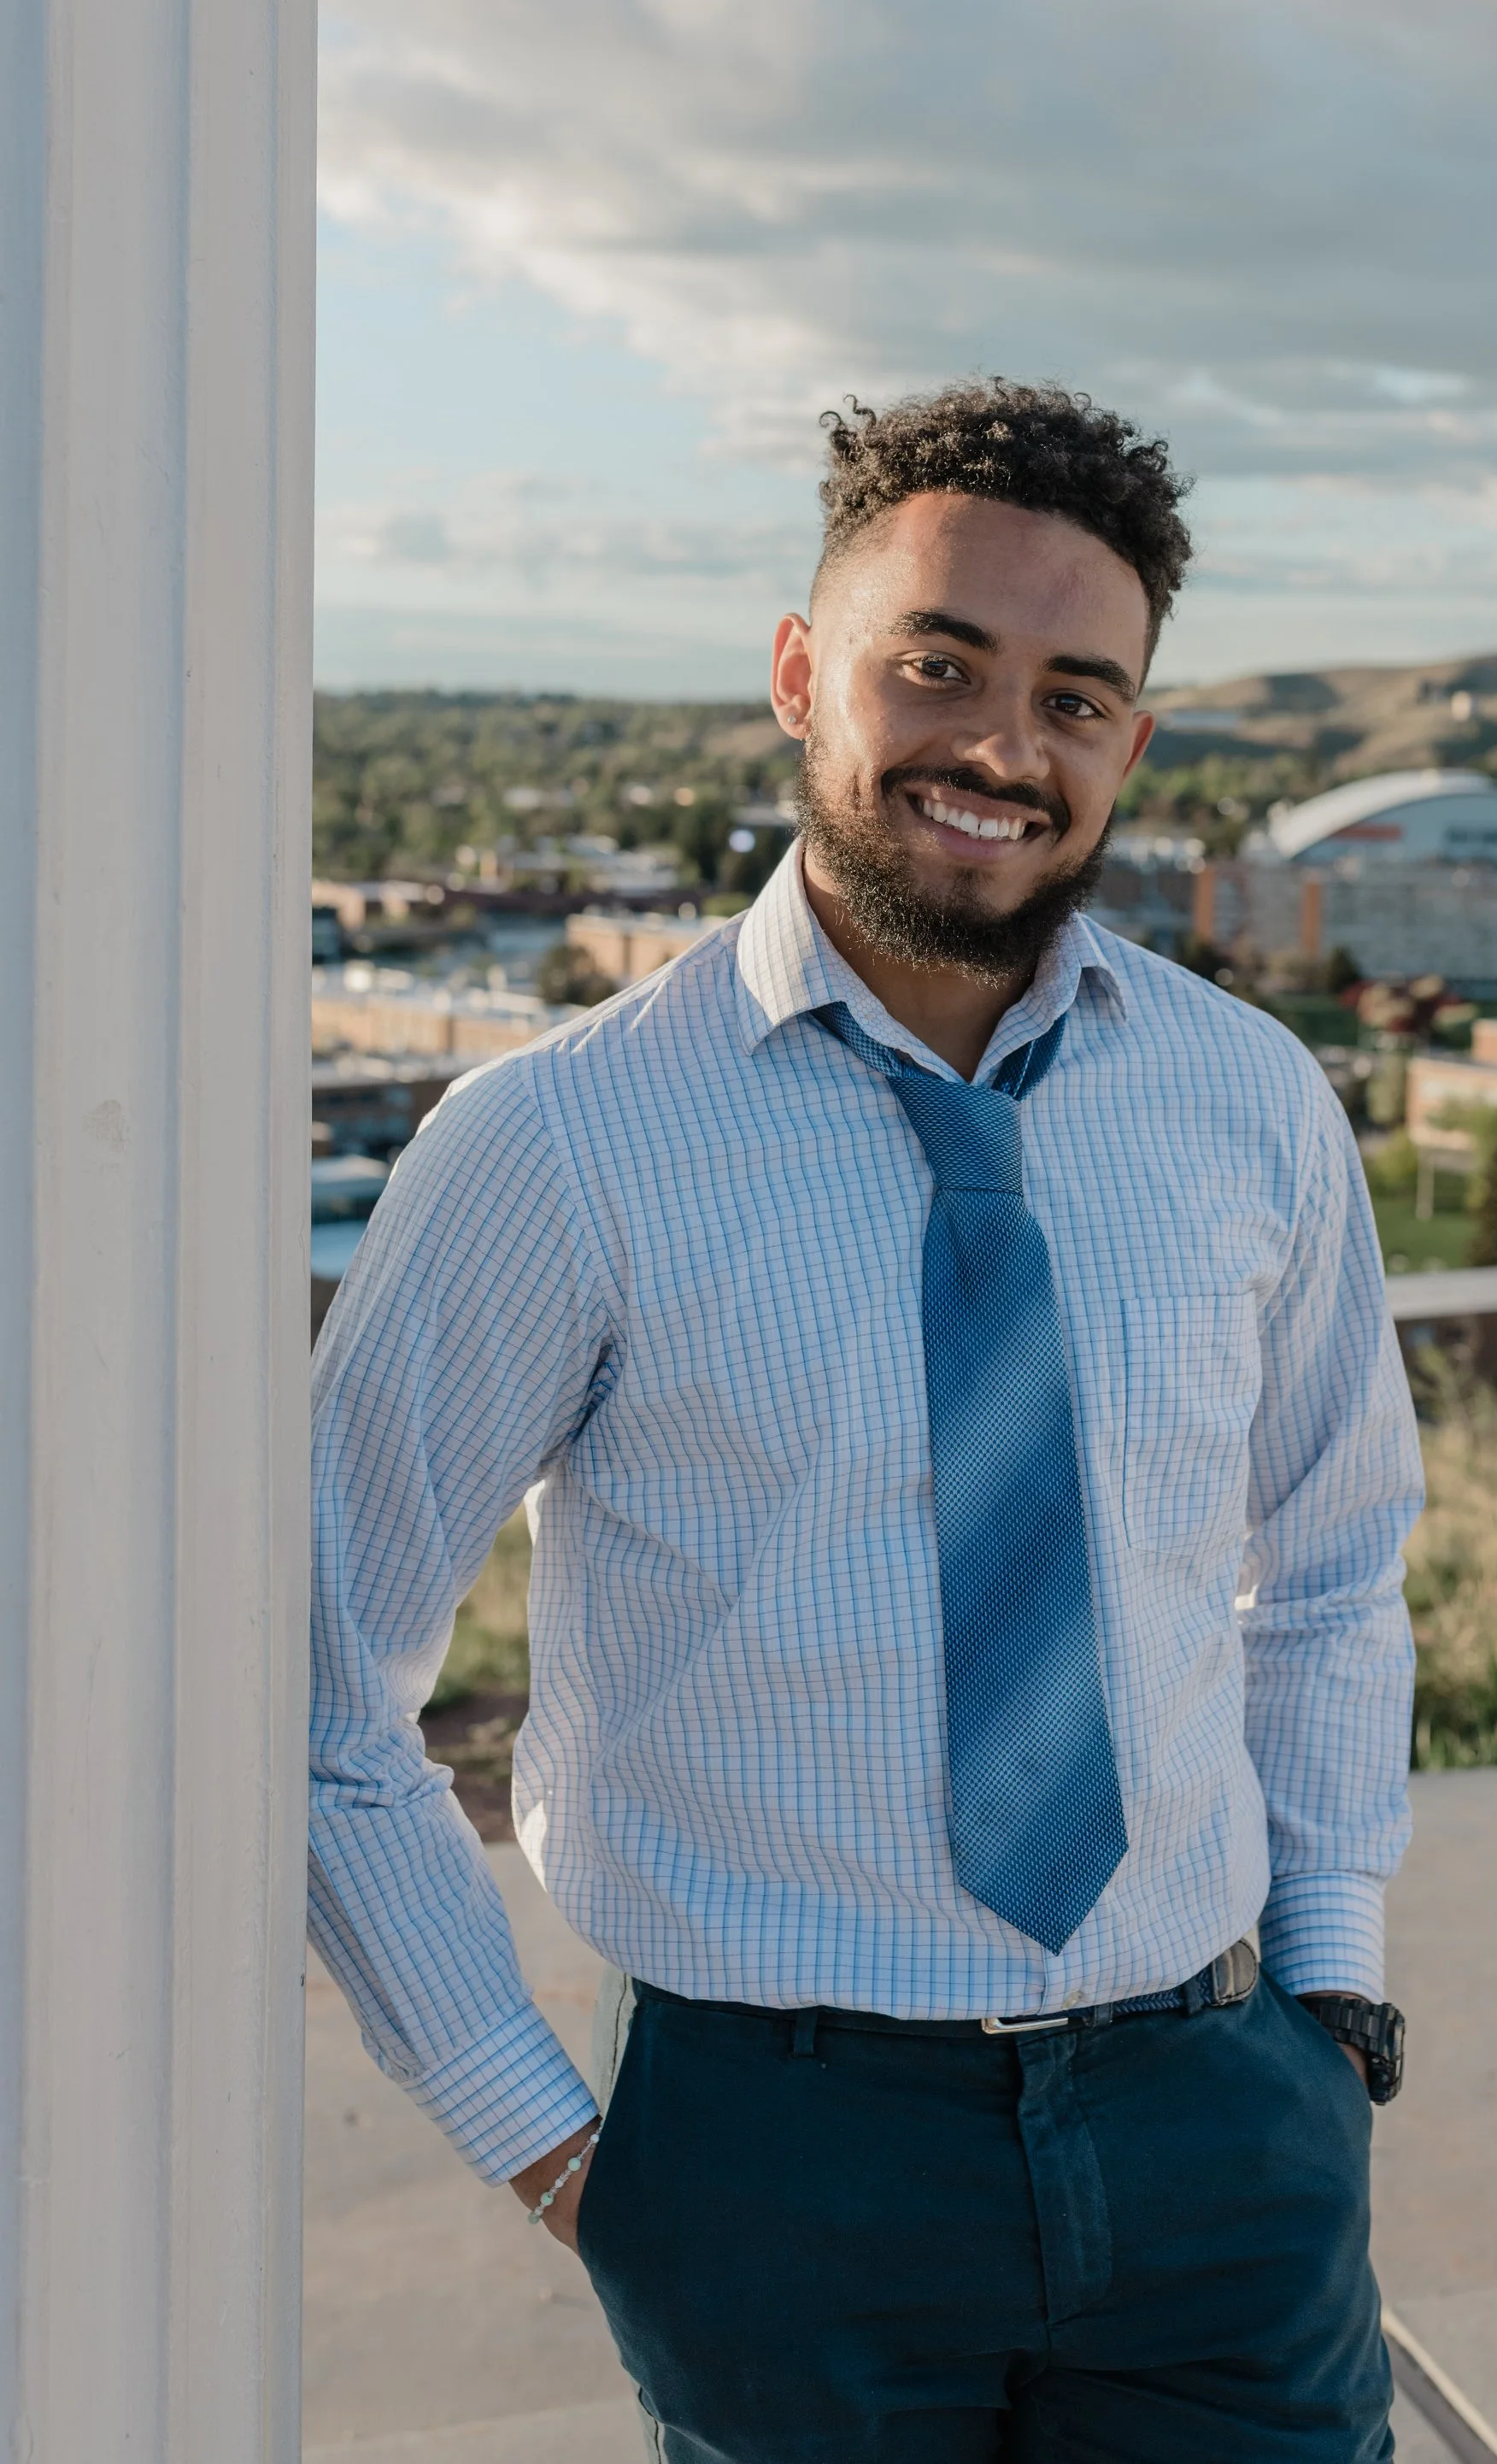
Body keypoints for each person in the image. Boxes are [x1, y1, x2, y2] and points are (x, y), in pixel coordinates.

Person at [309, 379, 1424, 2463]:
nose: (1001, 746)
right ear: (799, 672)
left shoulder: (1248, 1101)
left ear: (1130, 747)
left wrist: (1331, 1988)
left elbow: (1331, 1560)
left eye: (1074, 697)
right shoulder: (553, 1146)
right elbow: (316, 1689)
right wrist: (557, 2148)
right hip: (775, 2160)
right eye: (939, 663)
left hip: (1215, 2122)